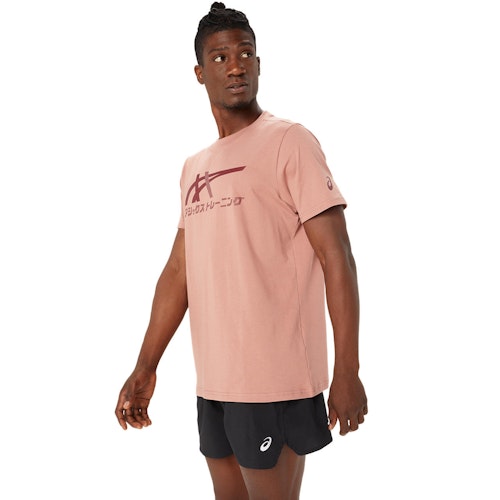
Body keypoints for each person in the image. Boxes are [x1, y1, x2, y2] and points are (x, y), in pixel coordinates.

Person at [115, 3, 368, 499]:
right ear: (199, 72)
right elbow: (179, 271)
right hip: (214, 383)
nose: (236, 66)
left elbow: (338, 257)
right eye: (220, 57)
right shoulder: (195, 167)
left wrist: (348, 370)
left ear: (259, 63)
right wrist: (145, 366)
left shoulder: (290, 142)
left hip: (276, 381)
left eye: (245, 53)